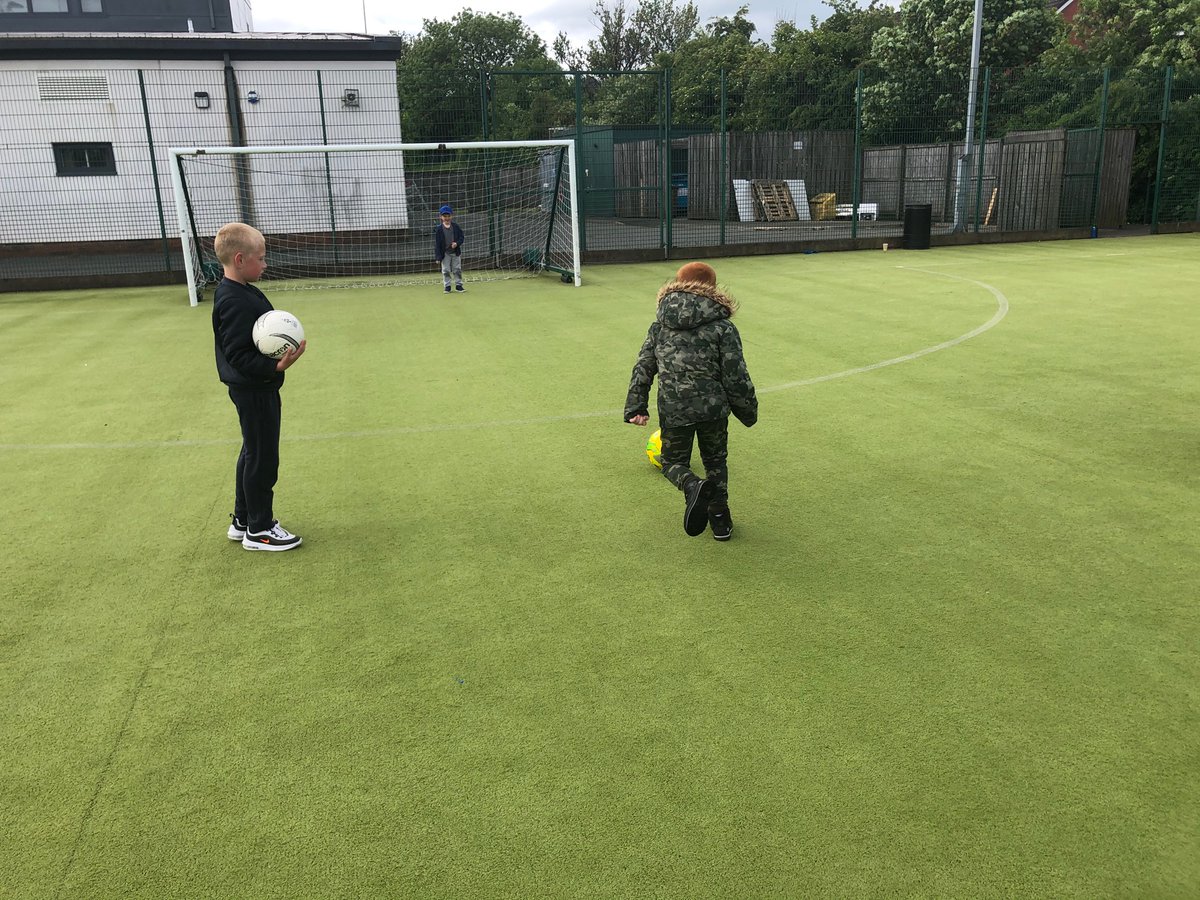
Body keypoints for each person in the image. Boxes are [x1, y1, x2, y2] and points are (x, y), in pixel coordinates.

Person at [624, 261, 757, 540]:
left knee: (672, 462)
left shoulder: (659, 326)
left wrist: (636, 405)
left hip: (674, 408)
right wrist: (747, 410)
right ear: (712, 288)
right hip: (713, 409)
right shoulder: (723, 327)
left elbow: (643, 366)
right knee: (716, 461)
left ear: (677, 284)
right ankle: (720, 519)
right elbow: (735, 373)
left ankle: (691, 485)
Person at [212, 222, 307, 551]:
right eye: (261, 258)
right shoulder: (233, 300)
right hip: (253, 388)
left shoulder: (241, 290)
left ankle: (243, 519)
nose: (265, 264)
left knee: (252, 451)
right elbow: (237, 354)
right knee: (263, 456)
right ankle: (260, 529)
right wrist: (274, 366)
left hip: (255, 387)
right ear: (240, 259)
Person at [434, 204, 465, 293]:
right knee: (446, 270)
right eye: (445, 216)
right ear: (441, 217)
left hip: (455, 252)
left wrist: (456, 243)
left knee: (457, 269)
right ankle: (447, 286)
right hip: (445, 253)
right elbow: (437, 244)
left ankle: (459, 285)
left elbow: (461, 237)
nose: (447, 218)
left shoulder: (456, 227)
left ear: (451, 216)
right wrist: (438, 257)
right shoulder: (439, 229)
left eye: (448, 216)